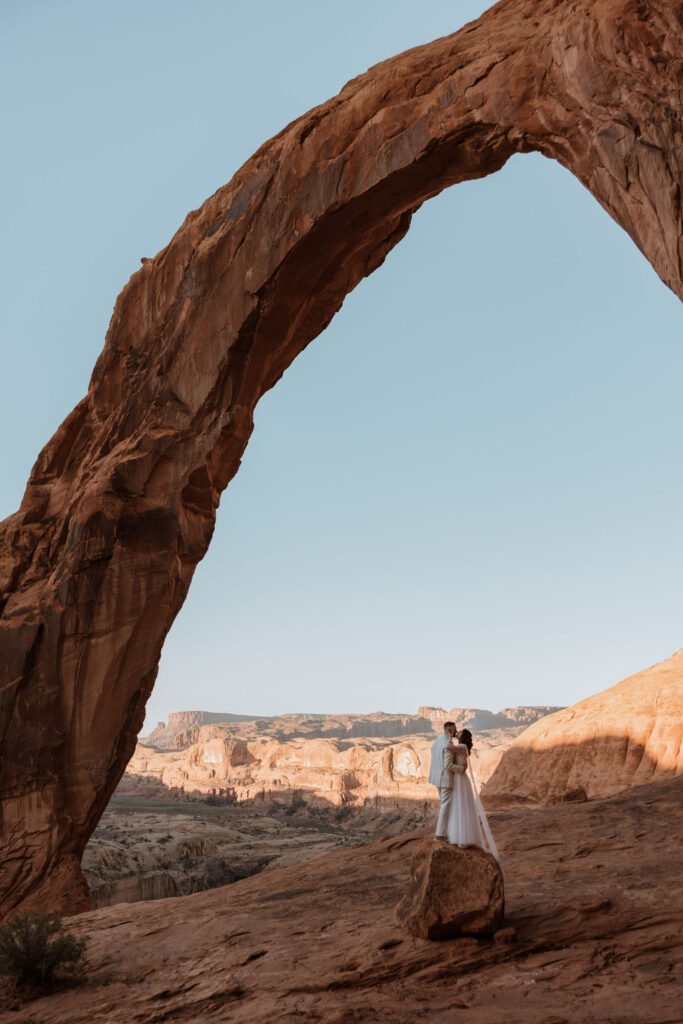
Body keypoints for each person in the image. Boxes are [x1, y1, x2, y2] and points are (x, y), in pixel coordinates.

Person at [445, 728, 502, 868]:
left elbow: (447, 747)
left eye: (459, 733)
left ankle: (462, 839)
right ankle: (459, 837)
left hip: (460, 779)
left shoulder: (462, 746)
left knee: (461, 806)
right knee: (459, 807)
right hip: (460, 779)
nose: (457, 733)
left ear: (462, 737)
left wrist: (449, 736)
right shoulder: (462, 747)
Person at [432, 721, 466, 841]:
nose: (456, 733)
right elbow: (448, 765)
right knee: (445, 806)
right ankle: (440, 835)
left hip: (436, 778)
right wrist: (461, 769)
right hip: (445, 779)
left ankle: (444, 833)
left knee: (444, 805)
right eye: (455, 730)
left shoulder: (436, 742)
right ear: (449, 730)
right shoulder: (447, 744)